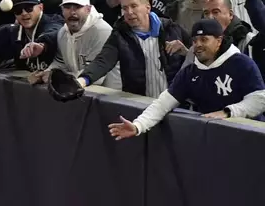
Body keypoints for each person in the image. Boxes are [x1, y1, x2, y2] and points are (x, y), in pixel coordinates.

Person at [108, 19, 265, 140]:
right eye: (195, 40)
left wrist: (229, 112)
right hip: (214, 138)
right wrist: (138, 125)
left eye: (204, 39)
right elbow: (163, 103)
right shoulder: (191, 72)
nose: (198, 45)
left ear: (219, 40)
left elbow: (259, 99)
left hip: (249, 137)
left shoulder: (241, 63)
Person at [76, 0, 190, 98]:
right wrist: (82, 80)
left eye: (134, 6)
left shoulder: (172, 29)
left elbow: (202, 60)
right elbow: (103, 61)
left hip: (174, 105)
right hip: (138, 104)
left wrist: (187, 53)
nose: (129, 12)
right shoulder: (119, 34)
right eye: (124, 8)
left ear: (148, 8)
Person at [20, 0, 122, 88]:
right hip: (80, 92)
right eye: (67, 7)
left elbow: (97, 77)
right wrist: (45, 73)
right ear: (62, 10)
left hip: (110, 96)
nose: (72, 12)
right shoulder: (63, 32)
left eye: (77, 7)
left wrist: (55, 77)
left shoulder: (101, 31)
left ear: (88, 9)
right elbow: (60, 62)